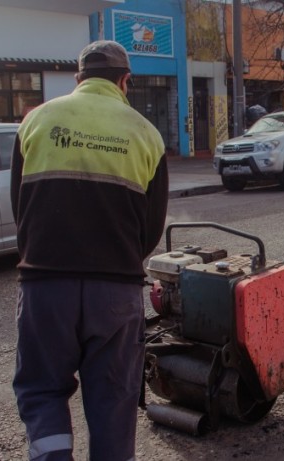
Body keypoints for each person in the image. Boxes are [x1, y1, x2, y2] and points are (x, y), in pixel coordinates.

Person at [10, 40, 168, 460]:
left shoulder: (36, 121)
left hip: (45, 286)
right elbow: (150, 230)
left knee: (43, 390)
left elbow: (20, 208)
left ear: (78, 79)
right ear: (125, 81)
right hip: (114, 293)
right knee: (114, 400)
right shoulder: (146, 134)